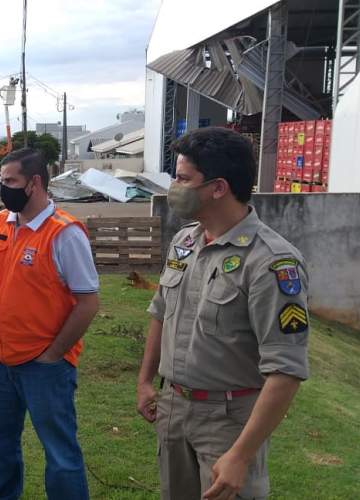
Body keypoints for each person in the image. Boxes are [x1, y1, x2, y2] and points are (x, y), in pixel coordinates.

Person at [136, 127, 310, 500]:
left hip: (228, 423)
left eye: (183, 178)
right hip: (174, 409)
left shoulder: (271, 262)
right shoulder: (186, 240)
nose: (174, 186)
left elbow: (286, 369)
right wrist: (146, 380)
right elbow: (161, 311)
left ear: (218, 188)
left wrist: (241, 454)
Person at [0, 147, 100, 500]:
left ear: (35, 183)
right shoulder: (0, 222)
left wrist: (53, 354)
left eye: (11, 181)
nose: (4, 187)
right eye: (2, 181)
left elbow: (88, 302)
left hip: (42, 366)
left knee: (60, 454)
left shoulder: (64, 233)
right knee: (0, 447)